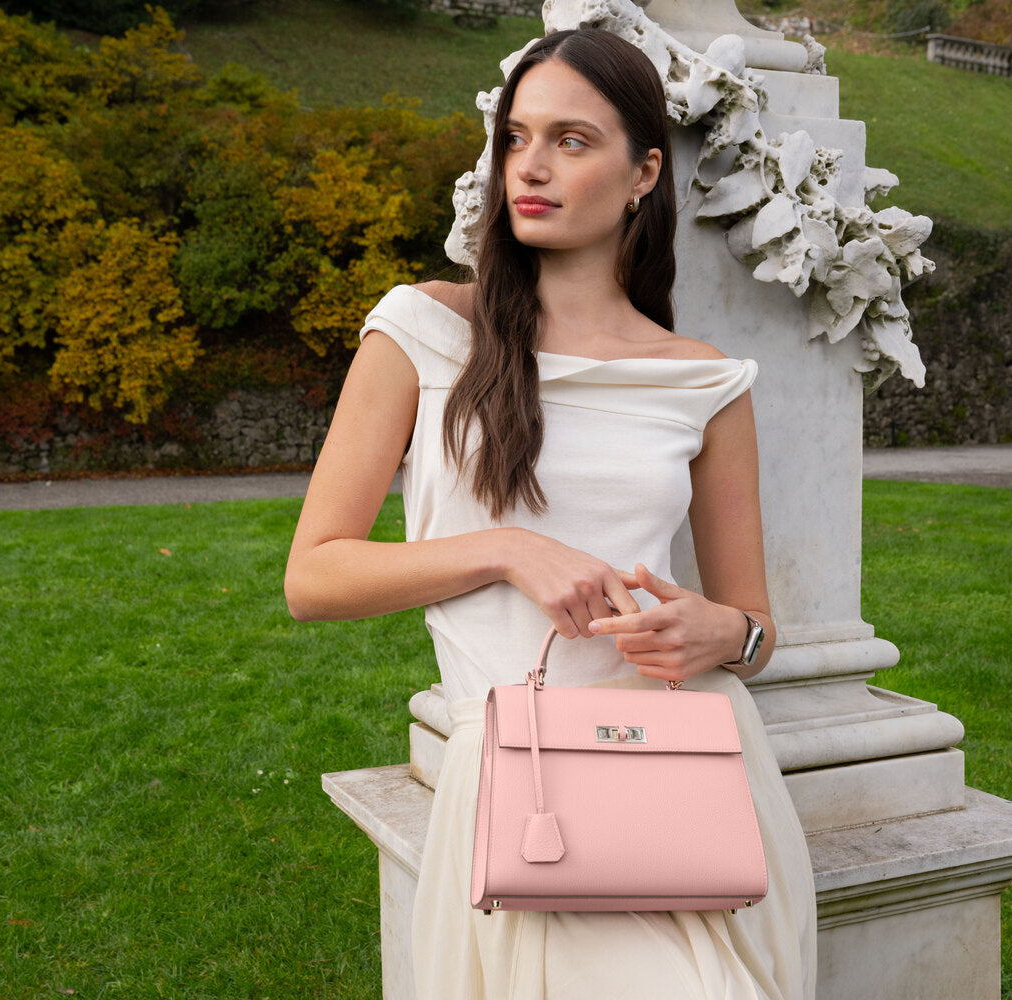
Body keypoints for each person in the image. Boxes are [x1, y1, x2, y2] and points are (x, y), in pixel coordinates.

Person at [284, 27, 817, 1000]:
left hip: (686, 773)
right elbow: (312, 576)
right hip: (526, 787)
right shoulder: (421, 332)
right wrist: (503, 550)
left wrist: (723, 632)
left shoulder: (703, 380)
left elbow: (755, 627)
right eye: (517, 138)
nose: (531, 166)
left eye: (572, 140)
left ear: (643, 172)